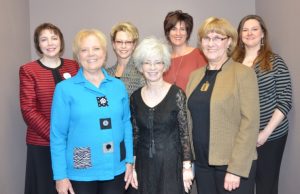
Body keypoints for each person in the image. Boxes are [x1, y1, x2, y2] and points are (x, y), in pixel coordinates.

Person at [50, 29, 133, 194]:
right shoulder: (65, 89)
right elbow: (57, 135)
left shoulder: (117, 86)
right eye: (84, 50)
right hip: (81, 171)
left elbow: (126, 124)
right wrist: (60, 176)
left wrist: (129, 160)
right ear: (77, 56)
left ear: (104, 52)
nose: (91, 54)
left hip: (115, 167)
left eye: (96, 48)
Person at [186, 17, 260, 194]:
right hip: (202, 164)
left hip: (232, 166)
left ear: (229, 42)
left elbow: (250, 124)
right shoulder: (195, 76)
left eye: (217, 38)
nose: (211, 43)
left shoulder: (243, 73)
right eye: (206, 38)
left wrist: (235, 169)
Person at [232, 15, 292, 194]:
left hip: (271, 136)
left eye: (254, 29)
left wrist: (265, 133)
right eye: (245, 29)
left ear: (263, 34)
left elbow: (285, 100)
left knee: (267, 186)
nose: (249, 33)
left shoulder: (275, 61)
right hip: (242, 136)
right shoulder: (232, 64)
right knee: (243, 185)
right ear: (240, 35)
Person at [19, 23, 79, 194]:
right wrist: (57, 136)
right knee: (45, 189)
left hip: (75, 143)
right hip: (42, 144)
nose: (50, 43)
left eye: (54, 38)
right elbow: (29, 110)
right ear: (38, 45)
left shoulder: (74, 66)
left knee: (76, 187)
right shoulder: (28, 70)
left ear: (61, 41)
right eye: (44, 39)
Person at [130, 37, 194, 194]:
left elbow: (184, 133)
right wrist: (132, 167)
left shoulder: (177, 94)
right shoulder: (135, 97)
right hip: (144, 165)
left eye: (157, 62)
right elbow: (135, 134)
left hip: (171, 163)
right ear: (140, 66)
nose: (152, 68)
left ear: (164, 65)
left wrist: (187, 167)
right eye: (147, 62)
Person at [163, 10, 206, 91]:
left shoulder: (199, 55)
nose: (178, 33)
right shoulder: (163, 59)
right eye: (173, 29)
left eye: (182, 29)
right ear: (168, 33)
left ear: (187, 32)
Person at [106, 22, 144, 96]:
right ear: (113, 44)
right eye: (119, 42)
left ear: (134, 45)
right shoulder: (107, 73)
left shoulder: (141, 72)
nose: (123, 46)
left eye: (128, 42)